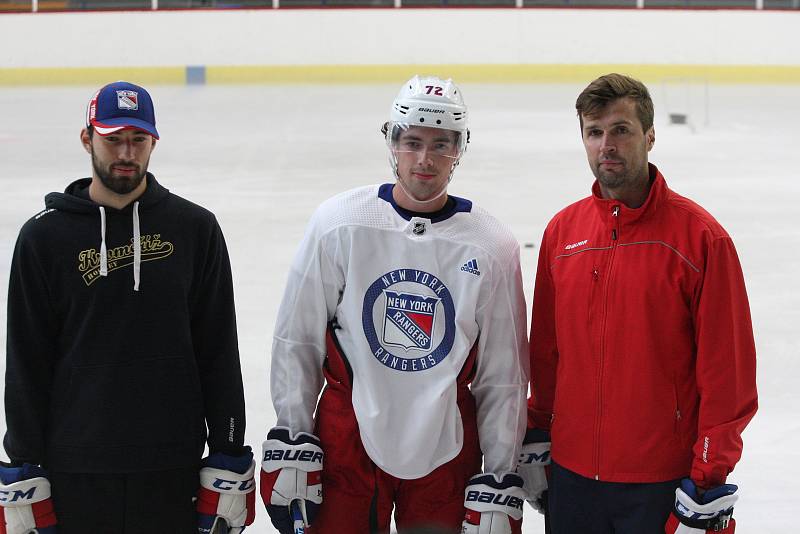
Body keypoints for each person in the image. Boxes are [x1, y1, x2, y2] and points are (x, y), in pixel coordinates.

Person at [260, 75, 529, 534]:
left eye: (441, 144)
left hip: (447, 449)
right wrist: (293, 431)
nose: (425, 159)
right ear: (391, 140)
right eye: (412, 142)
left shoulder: (491, 246)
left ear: (460, 148)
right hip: (348, 442)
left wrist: (500, 471)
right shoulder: (339, 225)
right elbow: (297, 339)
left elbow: (503, 375)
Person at [0, 81, 255, 534]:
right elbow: (26, 362)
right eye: (113, 138)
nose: (126, 152)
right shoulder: (44, 239)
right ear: (87, 139)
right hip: (74, 469)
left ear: (153, 142)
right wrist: (23, 465)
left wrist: (229, 452)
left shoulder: (194, 229)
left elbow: (218, 349)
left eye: (138, 139)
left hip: (171, 467)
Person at [518, 73, 758, 534]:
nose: (606, 144)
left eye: (621, 130)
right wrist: (537, 436)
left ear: (649, 136)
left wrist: (707, 479)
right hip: (572, 480)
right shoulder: (562, 235)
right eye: (594, 132)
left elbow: (727, 377)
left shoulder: (700, 239)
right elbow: (546, 357)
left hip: (661, 484)